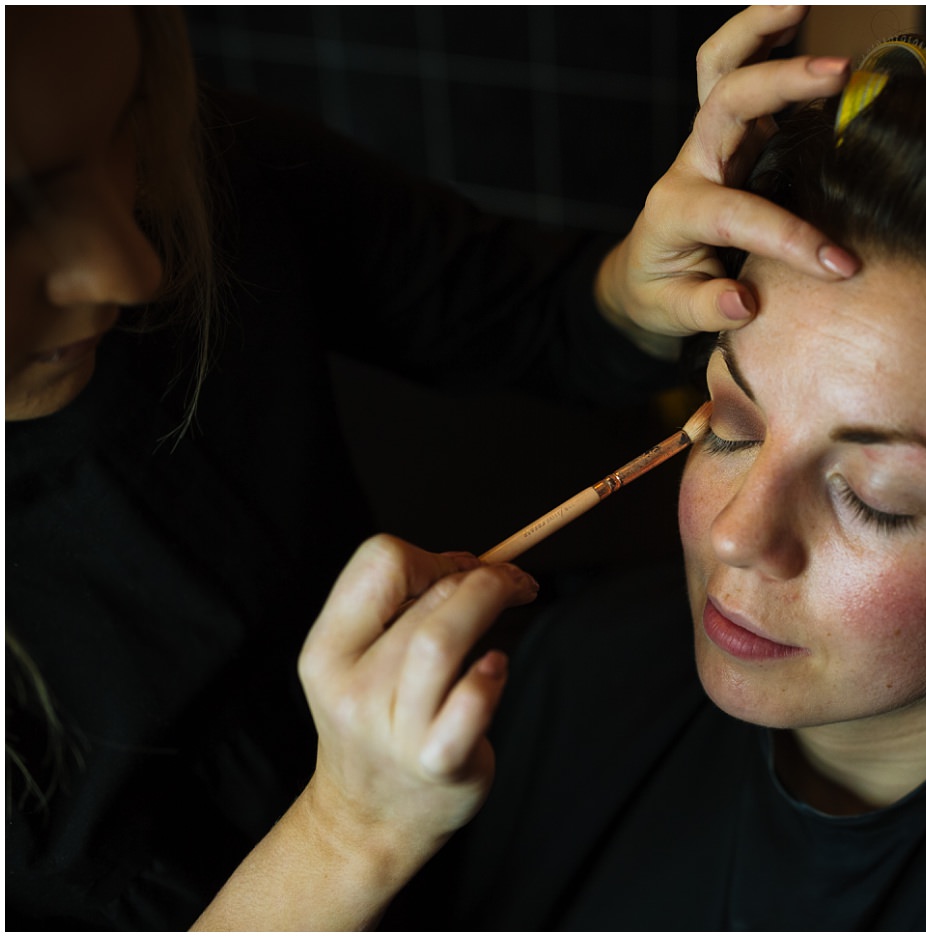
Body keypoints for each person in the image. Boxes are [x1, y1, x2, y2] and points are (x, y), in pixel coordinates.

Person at [200, 29, 926, 932]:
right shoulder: (526, 700)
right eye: (729, 423)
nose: (737, 536)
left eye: (872, 493)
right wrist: (342, 837)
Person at [5, 5, 861, 929]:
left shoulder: (205, 158)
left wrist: (628, 297)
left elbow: (518, 309)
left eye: (132, 127)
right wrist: (345, 836)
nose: (136, 270)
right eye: (12, 210)